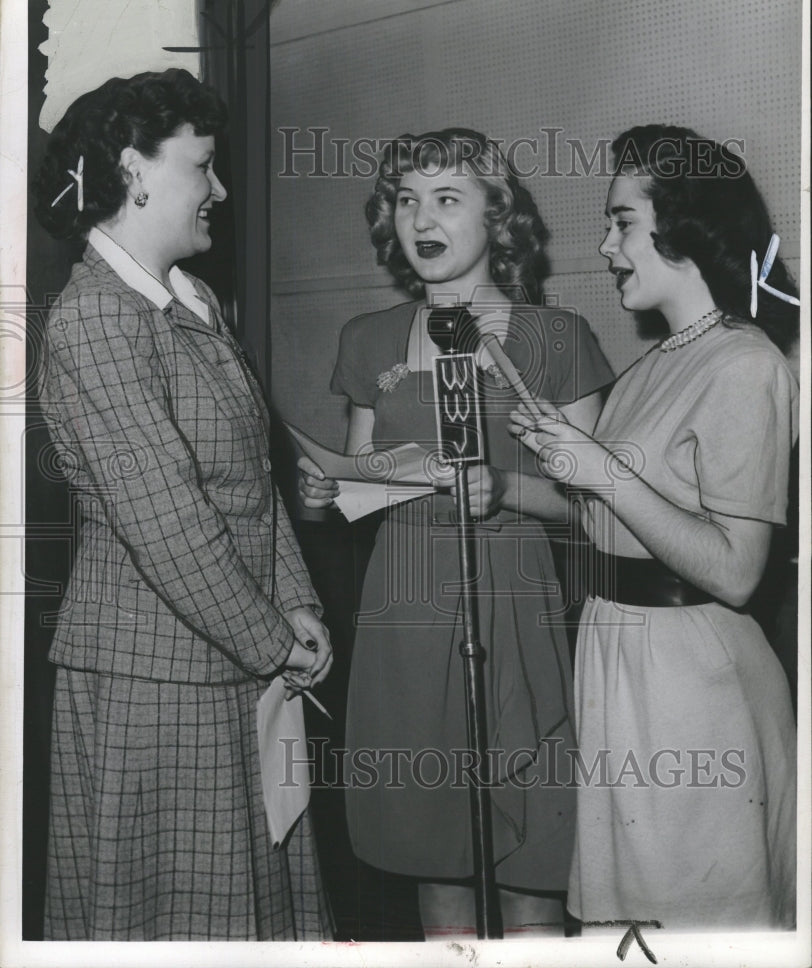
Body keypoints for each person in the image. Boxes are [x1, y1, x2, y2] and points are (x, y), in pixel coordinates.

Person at [33, 69, 333, 940]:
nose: (220, 189)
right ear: (134, 170)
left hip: (234, 655)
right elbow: (169, 525)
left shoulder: (189, 301)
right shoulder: (98, 318)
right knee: (181, 924)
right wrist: (274, 640)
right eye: (203, 166)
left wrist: (298, 603)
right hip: (152, 680)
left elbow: (253, 480)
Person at [299, 129, 614, 936]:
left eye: (446, 198)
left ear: (497, 216)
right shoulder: (367, 338)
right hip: (405, 609)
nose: (420, 218)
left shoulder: (558, 337)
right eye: (406, 200)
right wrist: (326, 488)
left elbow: (602, 506)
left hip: (515, 602)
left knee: (534, 864)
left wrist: (506, 488)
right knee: (433, 856)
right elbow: (362, 479)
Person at [510, 125, 799, 931]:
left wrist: (602, 469)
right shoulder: (657, 362)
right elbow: (614, 525)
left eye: (622, 222)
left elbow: (737, 570)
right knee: (635, 920)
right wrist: (516, 479)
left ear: (685, 224)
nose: (606, 246)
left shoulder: (746, 364)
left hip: (690, 678)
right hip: (621, 658)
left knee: (692, 919)